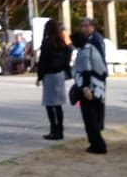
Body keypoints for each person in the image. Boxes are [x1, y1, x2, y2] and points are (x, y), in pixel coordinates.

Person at [71, 25, 108, 154]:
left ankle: (98, 145)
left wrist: (86, 88)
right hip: (98, 89)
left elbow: (86, 71)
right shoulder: (91, 49)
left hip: (90, 89)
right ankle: (95, 143)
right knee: (93, 118)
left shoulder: (85, 52)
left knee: (89, 119)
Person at [34, 19, 71, 140]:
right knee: (58, 104)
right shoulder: (61, 42)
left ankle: (53, 129)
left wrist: (39, 76)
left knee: (49, 104)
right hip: (59, 74)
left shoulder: (47, 43)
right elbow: (67, 55)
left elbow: (43, 61)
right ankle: (60, 130)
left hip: (49, 75)